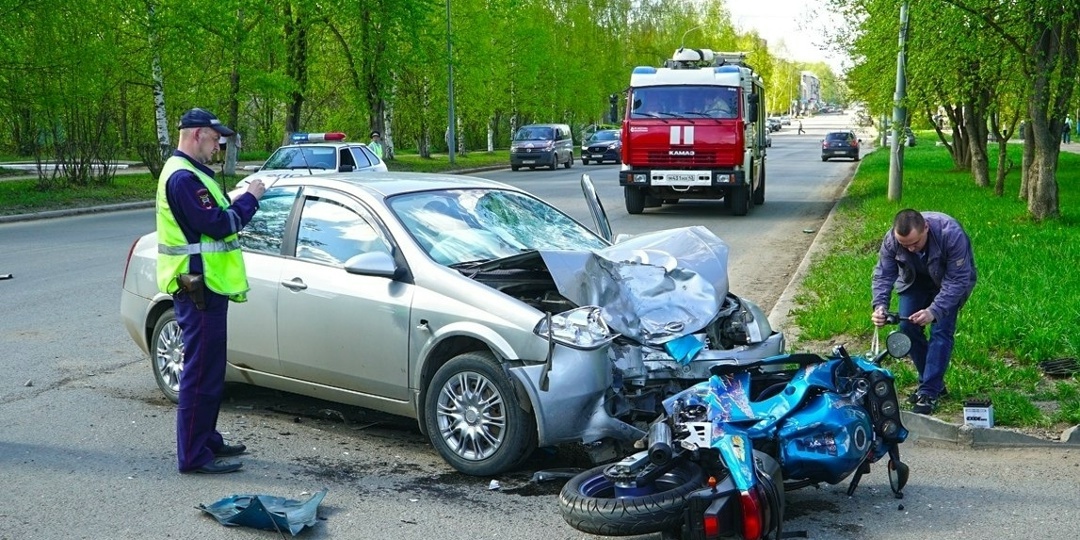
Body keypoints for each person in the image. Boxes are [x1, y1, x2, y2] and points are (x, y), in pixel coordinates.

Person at [156, 108, 266, 474]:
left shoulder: (193, 175)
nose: (219, 144)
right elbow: (218, 225)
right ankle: (193, 455)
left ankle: (207, 439)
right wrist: (251, 197)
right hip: (197, 288)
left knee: (210, 370)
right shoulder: (183, 178)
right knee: (200, 373)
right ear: (196, 134)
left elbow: (210, 220)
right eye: (215, 137)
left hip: (207, 288)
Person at [871, 209, 977, 415]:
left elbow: (958, 281)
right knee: (907, 327)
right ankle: (933, 383)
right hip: (914, 281)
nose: (910, 249)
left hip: (948, 281)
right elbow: (883, 274)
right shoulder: (892, 240)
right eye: (904, 245)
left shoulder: (951, 234)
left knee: (941, 331)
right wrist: (879, 306)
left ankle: (928, 390)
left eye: (915, 243)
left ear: (926, 228)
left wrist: (934, 311)